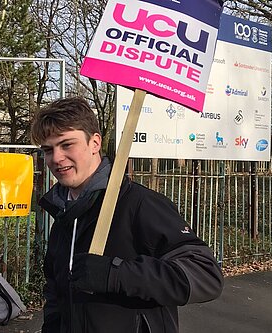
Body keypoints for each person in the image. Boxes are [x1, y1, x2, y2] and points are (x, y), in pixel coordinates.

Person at [30, 97, 224, 333]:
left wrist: (115, 274)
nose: (56, 158)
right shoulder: (62, 216)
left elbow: (205, 275)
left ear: (94, 143)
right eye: (48, 150)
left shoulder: (139, 204)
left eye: (67, 145)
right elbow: (55, 293)